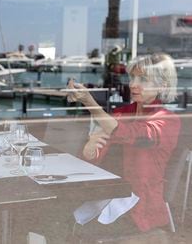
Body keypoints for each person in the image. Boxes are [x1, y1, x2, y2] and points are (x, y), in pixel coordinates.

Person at [67, 53, 181, 233]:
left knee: (83, 230)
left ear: (162, 85)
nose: (133, 84)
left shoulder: (168, 121)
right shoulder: (121, 113)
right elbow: (96, 156)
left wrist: (90, 103)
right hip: (107, 196)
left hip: (140, 206)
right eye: (132, 77)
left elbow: (130, 134)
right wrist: (89, 150)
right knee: (64, 217)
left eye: (143, 79)